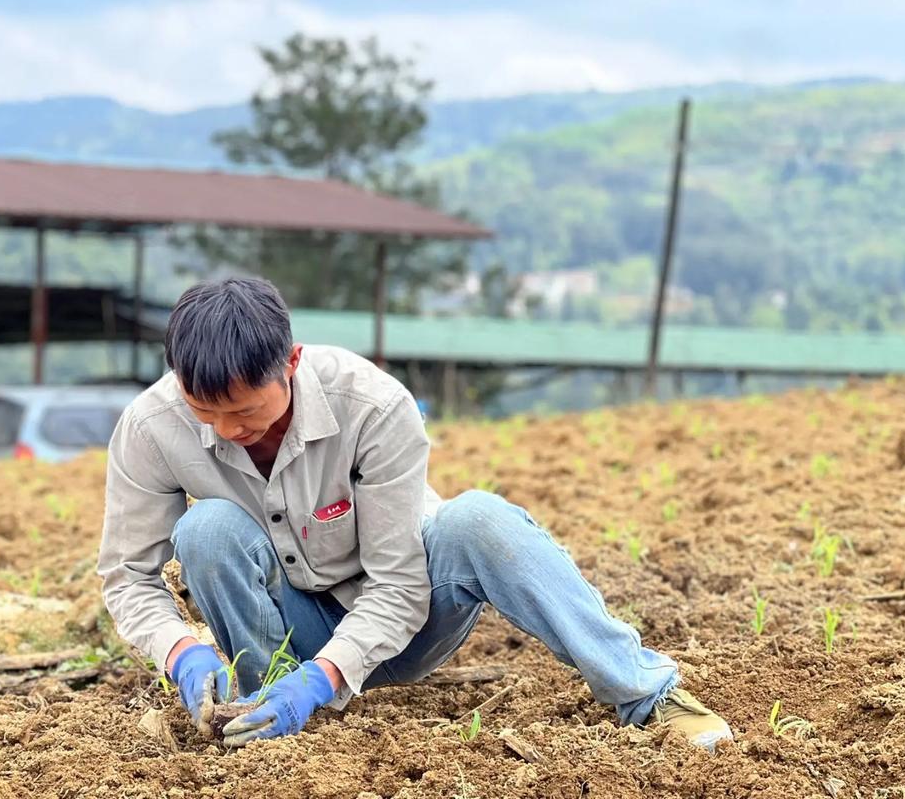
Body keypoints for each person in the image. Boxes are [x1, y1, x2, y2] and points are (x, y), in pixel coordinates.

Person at [98, 277, 733, 751]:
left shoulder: (371, 405)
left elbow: (400, 587)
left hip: (407, 622)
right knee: (207, 530)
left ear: (290, 364)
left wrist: (325, 678)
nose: (227, 430)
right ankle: (268, 715)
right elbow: (129, 577)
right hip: (287, 627)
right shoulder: (152, 427)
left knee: (479, 519)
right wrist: (180, 651)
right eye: (205, 412)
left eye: (244, 411)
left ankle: (649, 693)